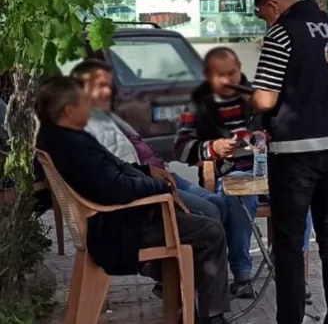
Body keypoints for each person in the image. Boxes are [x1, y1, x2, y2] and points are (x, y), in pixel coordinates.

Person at [35, 76, 230, 324]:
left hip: (113, 221)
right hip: (118, 229)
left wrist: (148, 172)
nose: (90, 107)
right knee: (209, 230)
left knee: (198, 219)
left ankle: (186, 304)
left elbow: (112, 171)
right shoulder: (72, 145)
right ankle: (210, 317)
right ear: (68, 110)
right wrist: (161, 187)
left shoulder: (59, 136)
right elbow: (116, 188)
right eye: (85, 102)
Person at [250, 0, 328, 324]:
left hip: (297, 152)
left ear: (271, 6)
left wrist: (249, 102)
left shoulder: (282, 33)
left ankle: (290, 320)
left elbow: (266, 98)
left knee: (289, 242)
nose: (266, 23)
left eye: (263, 16)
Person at [174, 46, 313, 299]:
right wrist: (211, 147)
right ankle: (242, 276)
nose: (229, 80)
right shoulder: (198, 104)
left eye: (233, 72)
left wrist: (268, 137)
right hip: (233, 175)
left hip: (271, 172)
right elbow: (181, 148)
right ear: (208, 75)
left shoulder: (258, 98)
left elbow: (287, 129)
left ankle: (292, 275)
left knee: (301, 199)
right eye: (221, 75)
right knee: (237, 202)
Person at [69, 59, 226, 223]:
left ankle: (232, 249)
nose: (108, 91)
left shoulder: (102, 115)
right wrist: (157, 185)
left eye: (109, 86)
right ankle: (211, 246)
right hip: (150, 188)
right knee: (211, 209)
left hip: (158, 176)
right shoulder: (84, 126)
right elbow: (115, 176)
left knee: (218, 202)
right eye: (100, 86)